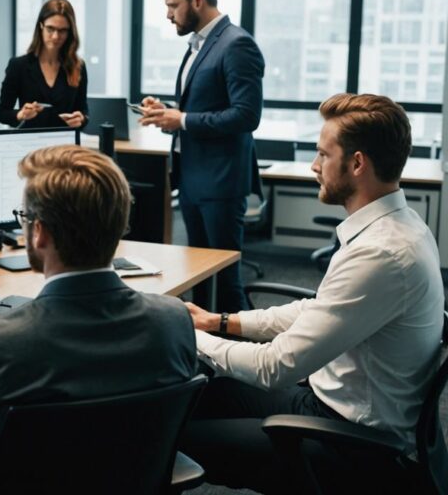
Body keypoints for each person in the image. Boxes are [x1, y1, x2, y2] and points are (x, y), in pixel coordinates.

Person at [0, 145, 198, 491]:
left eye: (25, 218)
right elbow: (80, 345)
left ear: (40, 232)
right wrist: (1, 327)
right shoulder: (174, 320)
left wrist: (0, 333)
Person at [180, 93, 445, 493]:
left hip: (354, 444)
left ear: (357, 164)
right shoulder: (399, 226)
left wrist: (193, 338)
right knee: (202, 398)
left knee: (173, 438)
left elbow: (275, 368)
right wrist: (220, 322)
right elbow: (319, 308)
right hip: (332, 404)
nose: (314, 165)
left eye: (323, 154)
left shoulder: (382, 254)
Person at [139, 0, 264, 313]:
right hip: (194, 179)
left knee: (225, 283)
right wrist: (169, 111)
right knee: (200, 278)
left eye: (172, 5)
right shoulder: (200, 43)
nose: (168, 15)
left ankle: (241, 361)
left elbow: (246, 115)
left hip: (221, 184)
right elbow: (204, 103)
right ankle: (205, 352)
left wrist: (184, 119)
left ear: (197, 0)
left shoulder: (237, 44)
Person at [0, 0, 87, 129]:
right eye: (50, 29)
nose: (55, 36)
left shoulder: (78, 66)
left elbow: (83, 110)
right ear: (41, 26)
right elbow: (2, 113)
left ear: (70, 32)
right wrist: (20, 115)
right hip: (30, 144)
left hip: (65, 145)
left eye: (62, 30)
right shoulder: (18, 65)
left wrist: (81, 119)